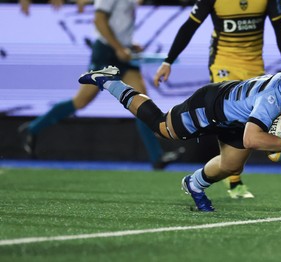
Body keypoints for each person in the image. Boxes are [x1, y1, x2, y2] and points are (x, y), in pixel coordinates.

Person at [78, 63, 281, 212]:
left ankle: (193, 184)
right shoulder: (272, 99)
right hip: (211, 105)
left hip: (236, 117)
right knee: (162, 128)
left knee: (232, 165)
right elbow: (251, 138)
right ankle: (110, 81)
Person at [153, 0, 281, 199]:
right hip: (223, 63)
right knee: (228, 116)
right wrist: (168, 61)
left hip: (254, 67)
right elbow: (190, 26)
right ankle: (234, 179)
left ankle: (232, 171)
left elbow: (279, 25)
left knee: (248, 122)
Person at [18, 0, 184, 169]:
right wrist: (119, 47)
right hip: (106, 52)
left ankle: (157, 157)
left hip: (122, 52)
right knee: (81, 101)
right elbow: (99, 20)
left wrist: (128, 43)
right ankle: (32, 129)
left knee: (140, 100)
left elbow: (118, 22)